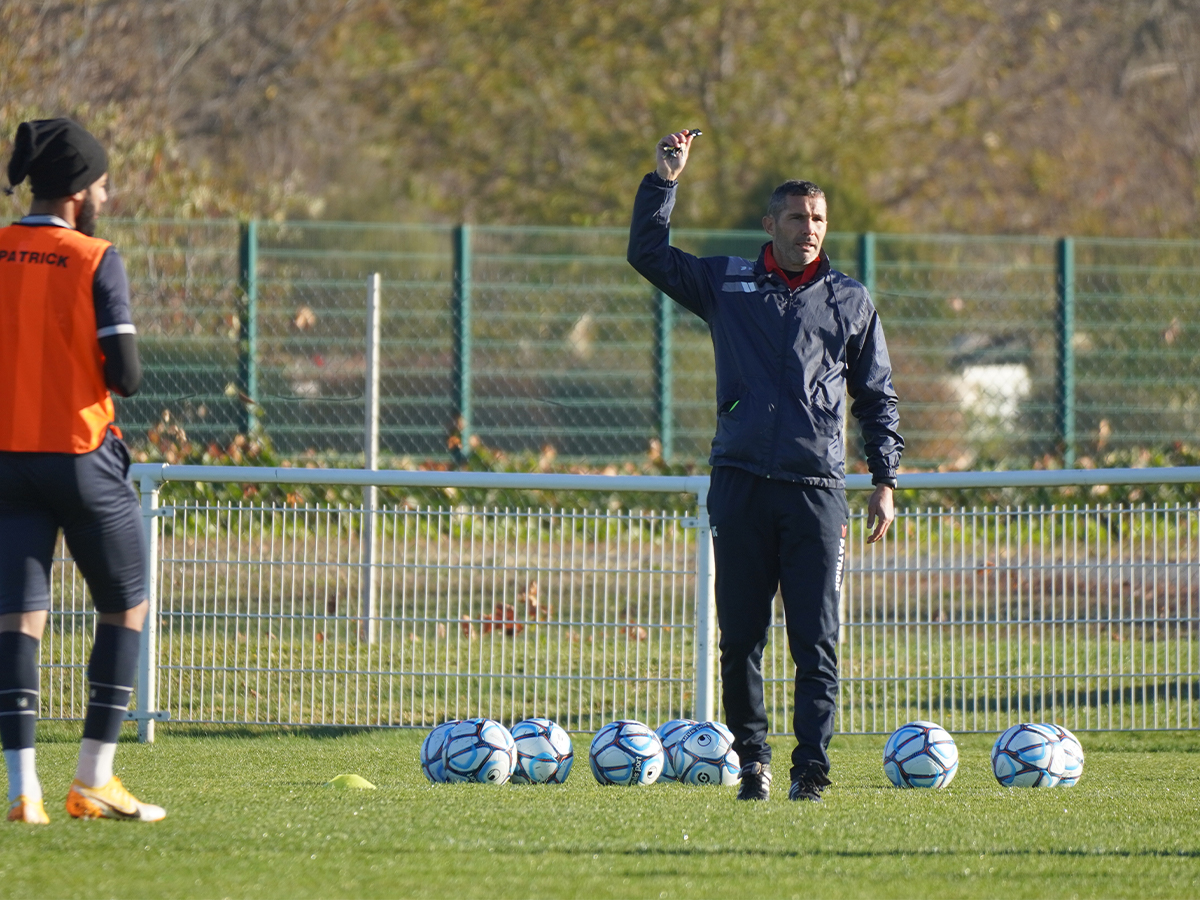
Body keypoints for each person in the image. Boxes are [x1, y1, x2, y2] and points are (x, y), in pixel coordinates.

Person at [628, 130, 904, 802]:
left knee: (816, 642)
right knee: (740, 639)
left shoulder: (850, 299)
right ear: (769, 224)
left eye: (818, 219)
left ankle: (812, 768)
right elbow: (649, 255)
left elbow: (876, 397)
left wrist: (884, 480)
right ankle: (752, 761)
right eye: (796, 218)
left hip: (816, 491)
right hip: (742, 483)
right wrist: (665, 182)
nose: (808, 229)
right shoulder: (728, 282)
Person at [0, 118, 164, 823]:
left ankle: (21, 793)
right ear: (77, 193)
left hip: (5, 462)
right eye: (102, 181)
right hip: (79, 456)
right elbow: (125, 376)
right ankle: (93, 778)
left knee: (18, 619)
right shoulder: (96, 258)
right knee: (125, 605)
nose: (106, 193)